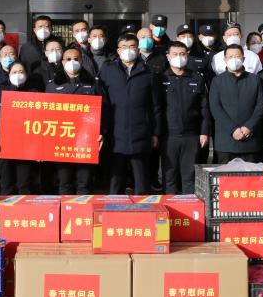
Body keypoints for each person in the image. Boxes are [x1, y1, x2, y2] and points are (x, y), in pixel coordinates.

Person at [97, 33, 163, 194]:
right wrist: (102, 131)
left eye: (132, 46)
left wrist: (155, 132)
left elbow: (156, 106)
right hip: (115, 133)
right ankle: (114, 208)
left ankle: (143, 208)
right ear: (118, 51)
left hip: (141, 133)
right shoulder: (107, 71)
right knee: (116, 180)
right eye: (124, 47)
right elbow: (101, 103)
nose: (128, 50)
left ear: (138, 49)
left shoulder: (149, 73)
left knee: (141, 180)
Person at [47, 46, 103, 195]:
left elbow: (105, 110)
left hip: (86, 141)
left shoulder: (93, 83)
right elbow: (46, 114)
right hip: (62, 141)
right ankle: (66, 209)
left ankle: (82, 209)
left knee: (84, 183)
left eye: (76, 59)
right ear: (62, 61)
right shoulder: (52, 85)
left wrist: (102, 132)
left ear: (82, 60)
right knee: (64, 182)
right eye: (68, 59)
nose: (72, 62)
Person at [159, 41, 210, 194]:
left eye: (182, 54)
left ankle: (189, 208)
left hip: (191, 135)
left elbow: (204, 108)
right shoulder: (160, 78)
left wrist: (204, 132)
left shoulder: (197, 78)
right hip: (168, 136)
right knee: (169, 176)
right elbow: (156, 108)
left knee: (189, 176)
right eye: (175, 54)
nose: (179, 57)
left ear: (187, 56)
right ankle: (169, 207)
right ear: (168, 56)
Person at [0, 61, 39, 194]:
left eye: (21, 72)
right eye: (14, 72)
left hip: (26, 147)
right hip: (4, 146)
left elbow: (41, 121)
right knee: (6, 183)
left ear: (26, 74)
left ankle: (23, 208)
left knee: (24, 184)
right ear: (8, 74)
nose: (18, 75)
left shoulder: (34, 93)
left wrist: (39, 148)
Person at [208, 44, 263, 162]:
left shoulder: (255, 80)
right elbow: (215, 108)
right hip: (225, 141)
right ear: (225, 59)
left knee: (251, 173)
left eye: (237, 56)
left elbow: (261, 106)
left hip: (251, 140)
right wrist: (233, 129)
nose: (234, 59)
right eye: (230, 57)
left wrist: (249, 126)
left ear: (243, 59)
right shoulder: (217, 81)